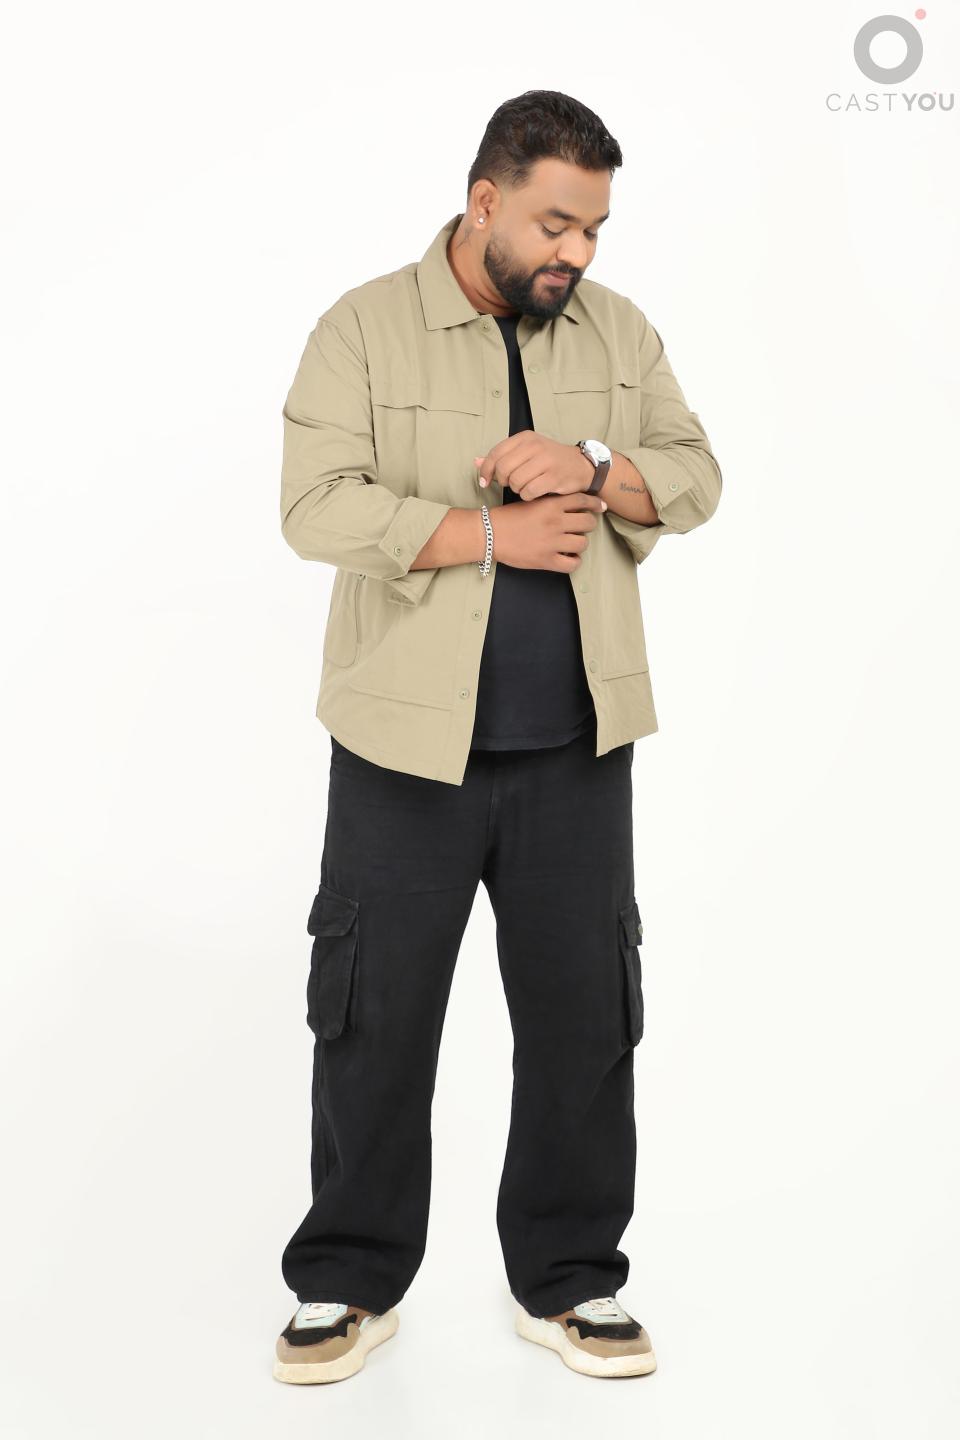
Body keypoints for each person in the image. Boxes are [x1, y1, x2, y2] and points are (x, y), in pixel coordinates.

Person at [273, 89, 722, 1384]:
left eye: (595, 228)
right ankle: (348, 1278)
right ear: (486, 203)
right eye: (556, 223)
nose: (577, 250)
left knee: (586, 1023)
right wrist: (487, 532)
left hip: (578, 746)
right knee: (373, 1020)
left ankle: (571, 1279)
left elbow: (694, 474)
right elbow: (313, 505)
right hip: (402, 752)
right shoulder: (363, 327)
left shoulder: (618, 331)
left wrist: (590, 461)